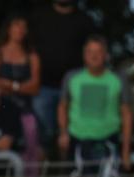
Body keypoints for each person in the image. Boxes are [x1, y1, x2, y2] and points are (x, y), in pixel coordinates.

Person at [58, 35, 132, 177]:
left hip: (108, 143)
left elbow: (126, 114)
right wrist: (63, 132)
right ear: (84, 55)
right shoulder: (72, 78)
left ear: (106, 55)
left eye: (98, 52)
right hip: (79, 143)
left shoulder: (117, 80)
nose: (94, 56)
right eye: (90, 52)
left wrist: (126, 151)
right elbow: (63, 106)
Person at [0, 14, 41, 177]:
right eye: (16, 25)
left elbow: (34, 87)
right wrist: (20, 86)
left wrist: (9, 85)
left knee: (29, 160)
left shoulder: (31, 56)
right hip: (1, 111)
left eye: (23, 27)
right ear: (8, 28)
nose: (20, 30)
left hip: (25, 113)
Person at [30, 0, 95, 145]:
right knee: (43, 136)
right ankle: (44, 167)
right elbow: (30, 50)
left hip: (75, 89)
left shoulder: (84, 20)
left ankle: (70, 166)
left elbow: (93, 54)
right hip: (43, 86)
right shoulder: (39, 16)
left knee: (76, 134)